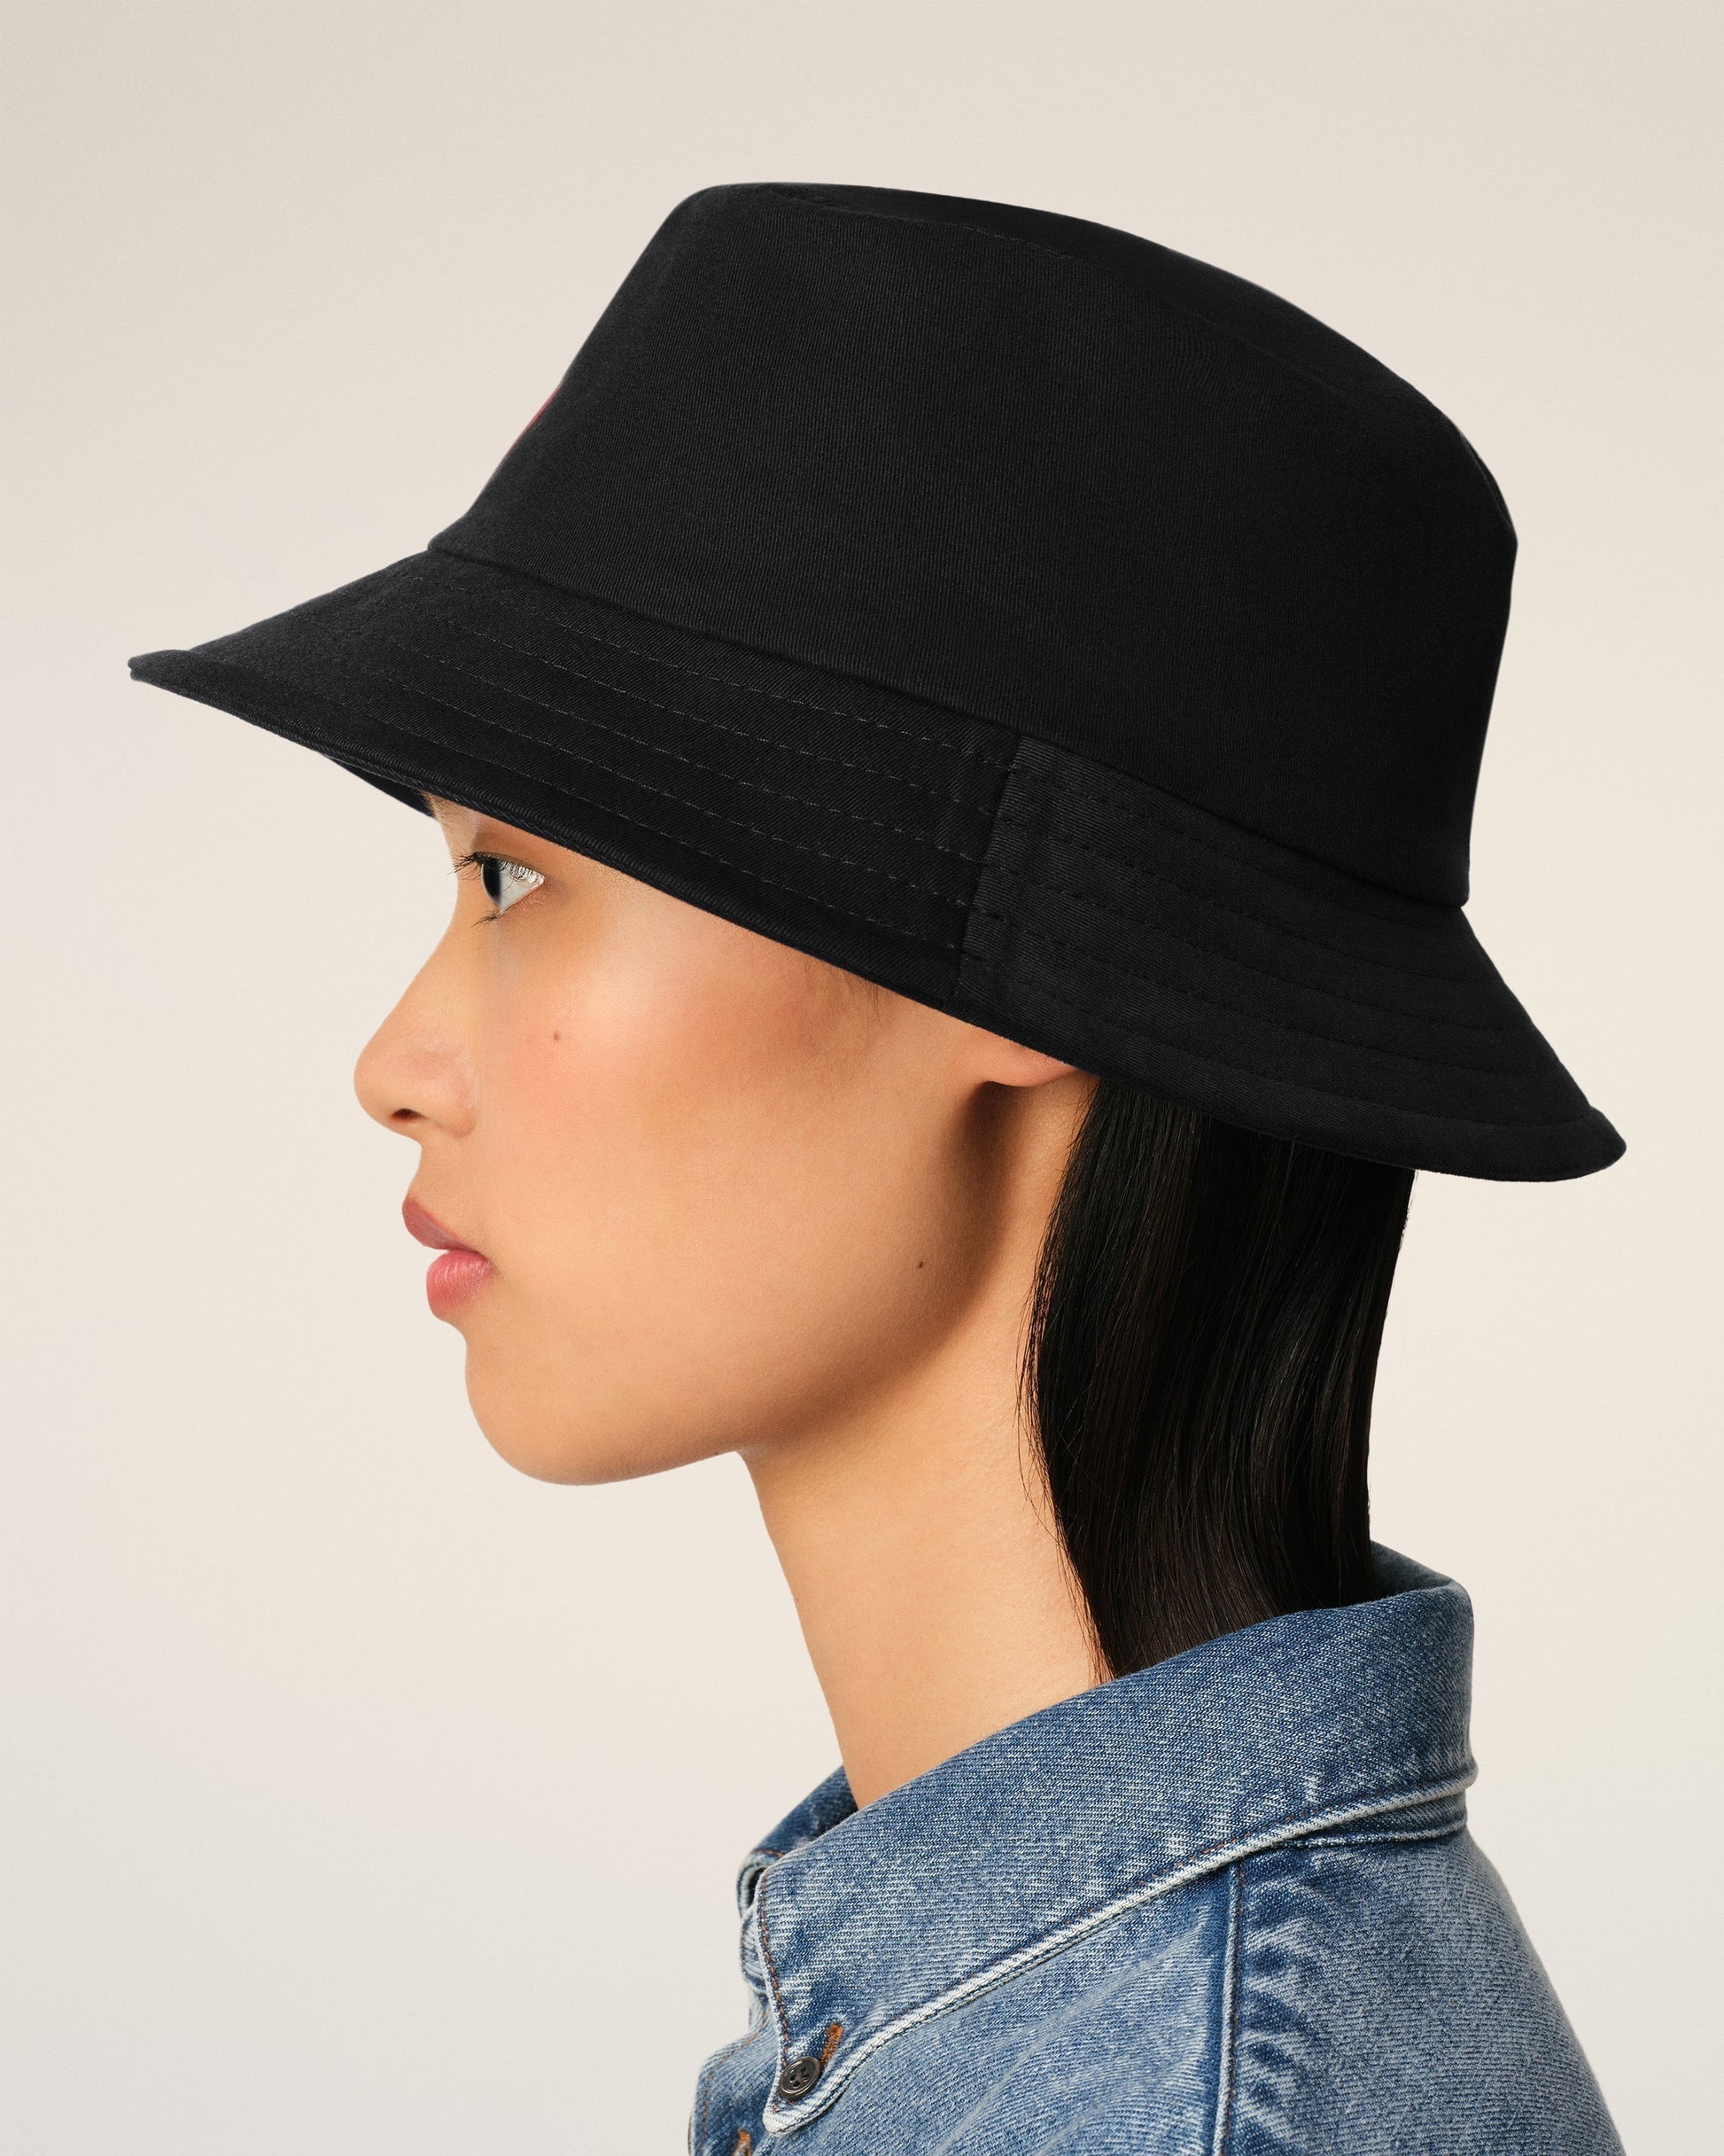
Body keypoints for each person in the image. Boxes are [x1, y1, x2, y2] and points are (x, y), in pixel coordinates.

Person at [129, 182, 1627, 2152]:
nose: (393, 1066)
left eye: (514, 880)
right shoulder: (1069, 2013)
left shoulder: (1190, 2110)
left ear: (1021, 983)